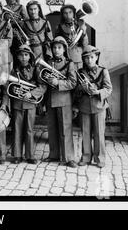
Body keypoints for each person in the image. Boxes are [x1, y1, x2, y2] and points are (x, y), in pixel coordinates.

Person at [73, 45, 112, 168]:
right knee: (85, 133)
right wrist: (81, 88)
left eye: (91, 57)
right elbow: (75, 91)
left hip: (99, 106)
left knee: (99, 133)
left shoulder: (103, 71)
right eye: (86, 58)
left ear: (96, 57)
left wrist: (97, 92)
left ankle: (100, 158)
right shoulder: (80, 72)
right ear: (83, 60)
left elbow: (108, 88)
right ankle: (86, 157)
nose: (89, 60)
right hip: (84, 106)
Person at [43, 36, 78, 168]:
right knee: (52, 129)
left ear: (64, 49)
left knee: (66, 129)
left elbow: (73, 83)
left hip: (64, 100)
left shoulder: (70, 64)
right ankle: (54, 154)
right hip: (51, 99)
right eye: (54, 48)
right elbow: (43, 80)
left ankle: (69, 157)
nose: (56, 50)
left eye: (59, 47)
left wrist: (58, 82)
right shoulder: (49, 62)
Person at [10, 45, 46, 164]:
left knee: (29, 129)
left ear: (30, 56)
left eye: (26, 55)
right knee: (17, 129)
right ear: (17, 57)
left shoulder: (35, 69)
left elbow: (42, 86)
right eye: (21, 55)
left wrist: (31, 93)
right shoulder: (14, 70)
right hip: (17, 103)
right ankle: (17, 155)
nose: (23, 58)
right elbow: (9, 86)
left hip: (30, 103)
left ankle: (30, 155)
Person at [55, 4, 89, 69]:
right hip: (64, 58)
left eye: (70, 12)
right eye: (65, 13)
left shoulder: (79, 26)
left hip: (77, 58)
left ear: (73, 13)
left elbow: (85, 44)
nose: (68, 15)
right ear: (62, 15)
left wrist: (84, 32)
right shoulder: (59, 27)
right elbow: (56, 44)